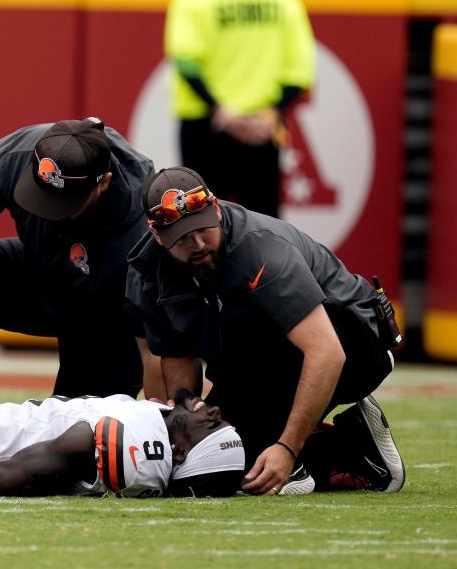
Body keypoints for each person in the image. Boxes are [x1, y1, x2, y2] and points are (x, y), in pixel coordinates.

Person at [125, 166, 405, 496]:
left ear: (215, 209)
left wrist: (286, 448)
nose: (198, 243)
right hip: (260, 361)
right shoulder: (146, 273)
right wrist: (188, 425)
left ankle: (296, 457)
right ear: (158, 236)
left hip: (354, 342)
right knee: (213, 464)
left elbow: (326, 352)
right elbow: (176, 356)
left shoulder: (259, 248)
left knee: (249, 461)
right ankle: (354, 446)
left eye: (202, 228)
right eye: (182, 238)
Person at [0, 117, 160, 401]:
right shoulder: (10, 159)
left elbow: (153, 347)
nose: (48, 209)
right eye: (40, 194)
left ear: (104, 184)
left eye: (64, 204)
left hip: (105, 313)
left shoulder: (139, 225)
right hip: (41, 273)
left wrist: (163, 422)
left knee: (74, 430)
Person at [0, 351, 245, 498]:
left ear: (180, 453)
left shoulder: (133, 442)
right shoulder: (156, 426)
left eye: (211, 429)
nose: (214, 414)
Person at [165, 0, 316, 218]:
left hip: (207, 129)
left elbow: (186, 62)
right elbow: (300, 71)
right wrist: (271, 113)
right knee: (263, 234)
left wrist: (222, 110)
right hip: (263, 133)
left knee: (200, 229)